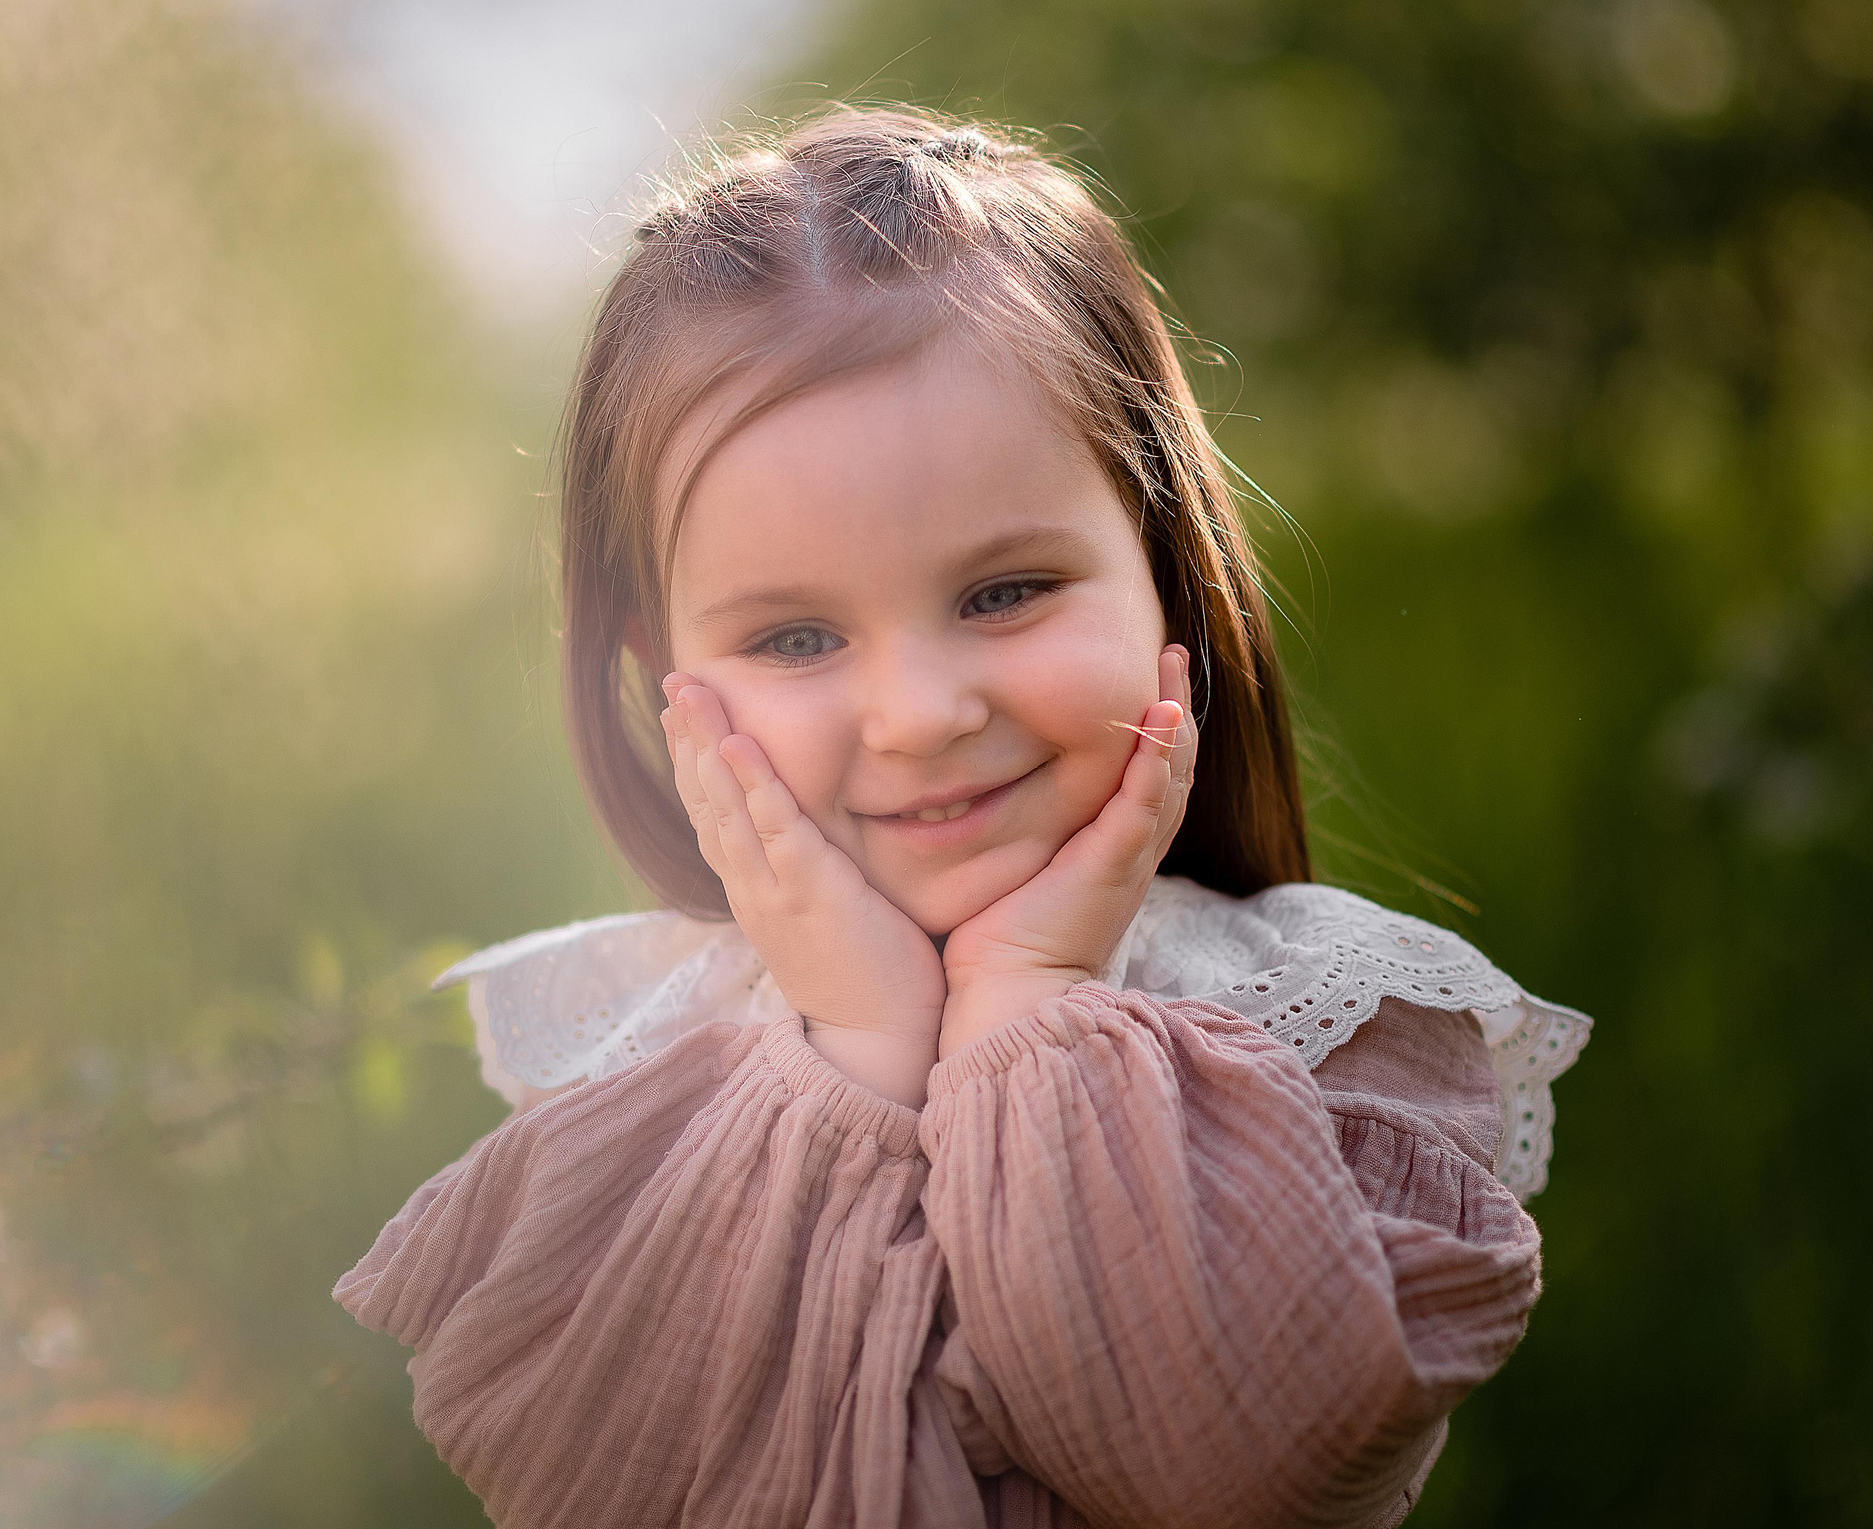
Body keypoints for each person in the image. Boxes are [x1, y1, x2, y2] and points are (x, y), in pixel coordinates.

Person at [333, 103, 1591, 1527]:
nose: (920, 713)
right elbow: (626, 1484)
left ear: (1163, 563)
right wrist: (860, 1051)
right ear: (664, 678)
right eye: (797, 638)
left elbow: (1256, 1471)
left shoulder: (1317, 1026)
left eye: (1002, 593)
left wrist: (1027, 1010)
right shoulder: (651, 1073)